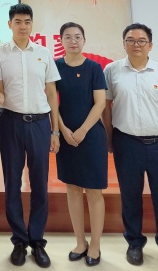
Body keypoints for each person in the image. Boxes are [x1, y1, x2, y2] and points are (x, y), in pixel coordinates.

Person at [102, 23, 158, 271]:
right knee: (130, 197)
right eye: (130, 40)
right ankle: (134, 243)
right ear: (124, 44)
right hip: (127, 143)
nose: (136, 44)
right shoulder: (112, 71)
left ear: (150, 45)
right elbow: (106, 107)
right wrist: (109, 138)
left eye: (141, 41)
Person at [0, 4, 61, 269]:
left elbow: (51, 93)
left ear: (32, 24)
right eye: (18, 21)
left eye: (27, 21)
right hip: (11, 122)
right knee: (12, 183)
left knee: (40, 183)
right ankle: (19, 240)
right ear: (9, 24)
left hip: (40, 123)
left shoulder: (43, 53)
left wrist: (55, 130)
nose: (23, 26)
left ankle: (37, 241)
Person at [54, 22, 108, 267]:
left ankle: (95, 245)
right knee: (73, 189)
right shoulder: (55, 67)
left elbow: (100, 103)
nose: (73, 41)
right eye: (68, 37)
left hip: (91, 136)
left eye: (77, 37)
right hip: (66, 136)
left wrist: (83, 130)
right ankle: (80, 242)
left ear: (84, 40)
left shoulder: (94, 68)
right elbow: (52, 102)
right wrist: (62, 130)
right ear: (61, 41)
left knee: (94, 191)